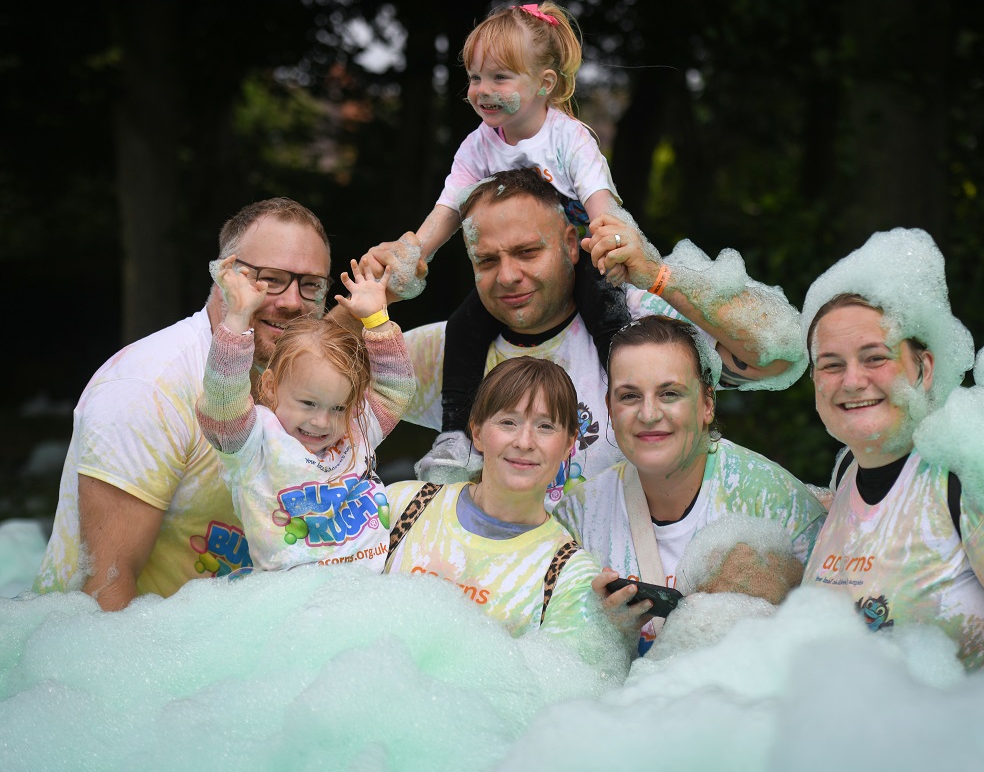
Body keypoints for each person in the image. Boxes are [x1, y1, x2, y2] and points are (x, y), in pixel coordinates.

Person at [362, 167, 804, 496]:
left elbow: (780, 354)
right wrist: (375, 300)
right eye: (487, 261)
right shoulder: (445, 351)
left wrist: (660, 275)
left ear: (572, 245)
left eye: (527, 252)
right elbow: (299, 385)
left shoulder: (644, 325)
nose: (508, 275)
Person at [34, 198, 332, 610]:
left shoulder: (298, 383)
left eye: (310, 284)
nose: (293, 302)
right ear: (226, 275)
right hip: (127, 654)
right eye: (271, 279)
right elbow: (104, 594)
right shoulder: (149, 386)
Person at [797, 230, 984, 672]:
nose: (851, 381)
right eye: (831, 364)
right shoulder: (848, 473)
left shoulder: (970, 479)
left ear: (924, 368)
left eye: (874, 357)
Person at [404, 0, 628, 477]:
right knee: (463, 329)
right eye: (475, 78)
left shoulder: (569, 138)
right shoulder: (478, 144)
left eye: (500, 78)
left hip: (579, 257)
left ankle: (627, 404)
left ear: (543, 84)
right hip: (517, 262)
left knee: (608, 318)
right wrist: (412, 256)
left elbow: (599, 197)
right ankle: (455, 436)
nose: (483, 92)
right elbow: (448, 208)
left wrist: (613, 238)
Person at [552, 316, 826, 654]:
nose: (649, 414)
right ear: (609, 408)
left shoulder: (774, 501)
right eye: (629, 396)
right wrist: (602, 634)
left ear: (707, 403)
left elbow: (832, 642)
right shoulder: (577, 516)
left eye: (669, 393)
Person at [196, 256, 415, 572]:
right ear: (270, 387)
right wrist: (239, 316)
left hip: (369, 596)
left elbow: (395, 390)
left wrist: (377, 321)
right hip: (291, 601)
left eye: (338, 407)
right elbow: (222, 402)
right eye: (309, 404)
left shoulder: (356, 430)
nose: (322, 421)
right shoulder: (254, 442)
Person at [379, 357, 605, 643]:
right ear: (477, 433)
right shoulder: (401, 505)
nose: (524, 442)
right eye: (508, 422)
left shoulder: (568, 575)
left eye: (545, 426)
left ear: (569, 444)